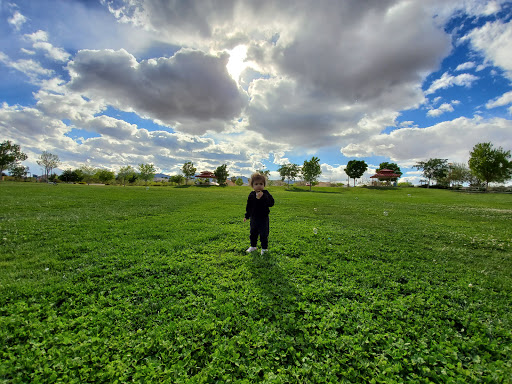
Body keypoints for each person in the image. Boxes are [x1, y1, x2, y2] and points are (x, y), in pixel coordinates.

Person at [244, 172, 275, 255]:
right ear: (252, 185)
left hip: (263, 218)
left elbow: (271, 203)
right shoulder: (251, 195)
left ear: (264, 185)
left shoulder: (266, 193)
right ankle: (253, 246)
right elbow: (249, 206)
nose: (258, 186)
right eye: (256, 184)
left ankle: (264, 248)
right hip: (254, 218)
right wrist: (247, 216)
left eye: (261, 184)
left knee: (264, 233)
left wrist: (263, 197)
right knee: (253, 233)